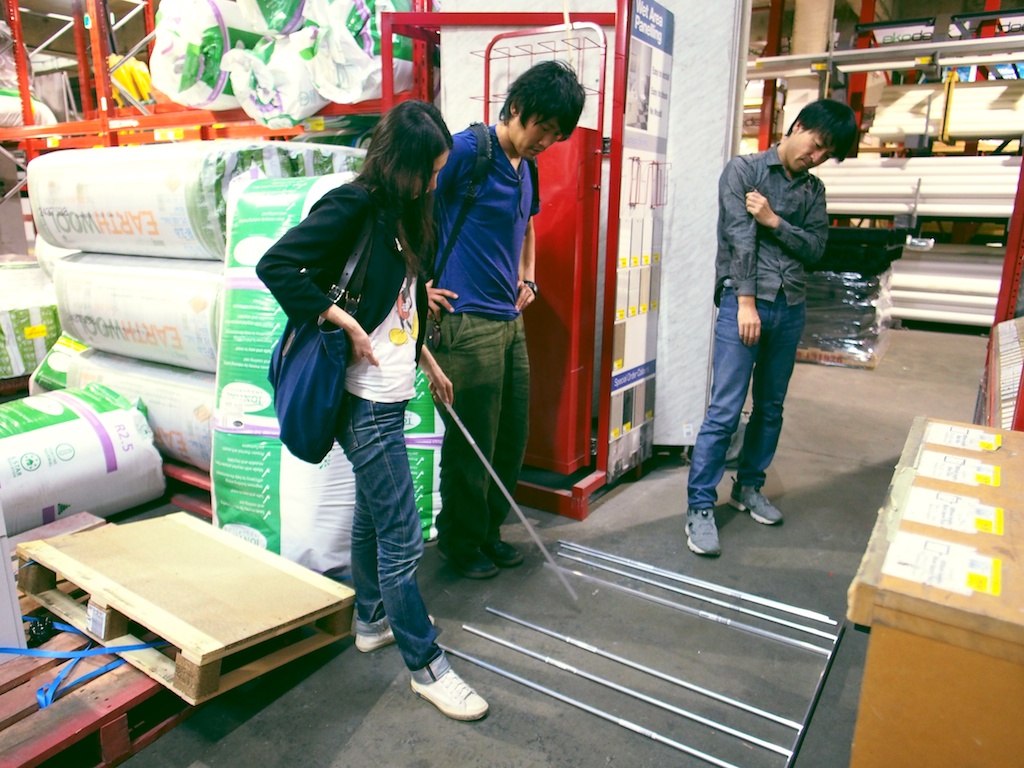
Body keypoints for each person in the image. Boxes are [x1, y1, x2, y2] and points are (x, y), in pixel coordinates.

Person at [256, 100, 488, 721]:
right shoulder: (353, 205)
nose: (437, 181)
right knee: (403, 536)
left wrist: (427, 362)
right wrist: (340, 319)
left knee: (372, 513)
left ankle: (370, 617)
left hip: (395, 388)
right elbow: (274, 264)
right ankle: (427, 665)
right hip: (360, 400)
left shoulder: (411, 211)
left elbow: (403, 303)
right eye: (430, 171)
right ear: (401, 164)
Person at [426, 60, 586, 579]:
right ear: (517, 107)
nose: (549, 141)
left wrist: (530, 277)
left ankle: (489, 531)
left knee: (508, 439)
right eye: (545, 128)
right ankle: (461, 542)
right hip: (465, 318)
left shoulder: (527, 167)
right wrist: (417, 284)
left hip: (509, 321)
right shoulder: (468, 151)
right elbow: (411, 202)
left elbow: (527, 224)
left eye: (559, 135)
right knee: (471, 443)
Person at [685, 98, 858, 558]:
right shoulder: (744, 171)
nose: (816, 157)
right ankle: (700, 506)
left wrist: (774, 221)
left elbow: (817, 248)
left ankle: (749, 487)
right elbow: (739, 239)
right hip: (746, 305)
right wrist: (744, 303)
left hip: (790, 307)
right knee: (724, 410)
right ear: (797, 126)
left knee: (771, 408)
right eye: (816, 145)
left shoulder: (813, 192)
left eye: (825, 155)